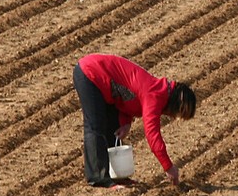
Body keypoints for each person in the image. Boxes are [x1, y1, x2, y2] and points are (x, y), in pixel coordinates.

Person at [73, 54, 196, 189]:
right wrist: (168, 167)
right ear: (176, 104)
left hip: (107, 85)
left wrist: (126, 123)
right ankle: (99, 179)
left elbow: (129, 96)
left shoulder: (157, 91)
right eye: (177, 113)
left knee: (114, 129)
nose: (173, 117)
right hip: (90, 73)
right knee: (95, 126)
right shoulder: (154, 96)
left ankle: (116, 177)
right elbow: (152, 135)